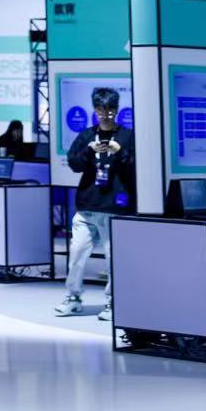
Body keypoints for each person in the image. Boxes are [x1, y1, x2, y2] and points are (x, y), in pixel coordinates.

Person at [55, 87, 137, 320]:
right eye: (101, 110)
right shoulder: (86, 136)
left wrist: (120, 152)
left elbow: (136, 167)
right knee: (76, 256)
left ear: (116, 110)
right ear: (95, 110)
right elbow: (74, 164)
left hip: (114, 207)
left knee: (113, 260)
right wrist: (89, 152)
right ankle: (73, 298)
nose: (105, 114)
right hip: (87, 206)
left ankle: (113, 303)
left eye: (109, 110)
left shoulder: (128, 137)